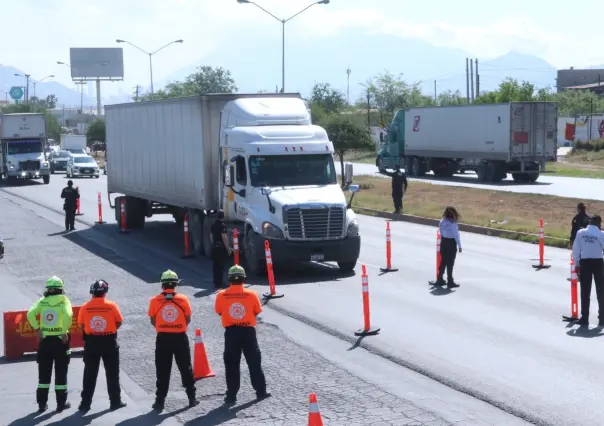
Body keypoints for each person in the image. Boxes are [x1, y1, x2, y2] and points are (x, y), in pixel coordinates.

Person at [215, 265, 270, 405]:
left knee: (232, 364)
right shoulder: (251, 295)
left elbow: (220, 311)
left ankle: (231, 396)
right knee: (254, 362)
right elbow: (256, 311)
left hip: (231, 332)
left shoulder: (221, 295)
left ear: (229, 279)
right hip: (248, 332)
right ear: (244, 279)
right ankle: (261, 392)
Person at [148, 270, 198, 411]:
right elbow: (188, 318)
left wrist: (164, 326)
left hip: (163, 338)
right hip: (180, 337)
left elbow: (153, 319)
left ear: (162, 284)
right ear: (176, 284)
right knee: (186, 368)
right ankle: (192, 398)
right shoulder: (183, 299)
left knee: (162, 371)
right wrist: (177, 326)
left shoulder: (155, 301)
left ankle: (159, 402)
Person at [77, 280, 127, 412]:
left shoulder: (85, 307)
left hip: (91, 343)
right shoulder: (112, 306)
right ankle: (115, 402)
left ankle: (85, 404)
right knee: (112, 373)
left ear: (92, 293)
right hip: (109, 342)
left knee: (89, 374)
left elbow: (81, 325)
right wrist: (109, 330)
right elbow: (119, 322)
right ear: (105, 293)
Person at [27, 276, 73, 413]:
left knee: (43, 374)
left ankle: (42, 404)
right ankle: (61, 404)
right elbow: (69, 315)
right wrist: (64, 330)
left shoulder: (42, 301)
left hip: (45, 341)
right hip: (61, 341)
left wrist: (38, 328)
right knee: (61, 373)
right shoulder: (64, 300)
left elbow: (30, 314)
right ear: (61, 289)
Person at [572, 215, 604, 326]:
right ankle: (602, 318)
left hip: (585, 262)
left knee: (585, 291)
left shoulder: (581, 233)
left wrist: (576, 264)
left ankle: (585, 318)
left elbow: (576, 249)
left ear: (590, 222)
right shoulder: (601, 234)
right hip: (598, 263)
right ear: (599, 223)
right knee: (601, 291)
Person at [435, 206, 462, 289]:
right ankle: (450, 281)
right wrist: (459, 246)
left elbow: (441, 232)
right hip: (451, 243)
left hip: (444, 242)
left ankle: (440, 279)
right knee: (450, 263)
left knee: (443, 262)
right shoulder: (453, 224)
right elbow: (456, 236)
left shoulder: (442, 221)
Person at [210, 210, 232, 289]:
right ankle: (220, 283)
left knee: (215, 266)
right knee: (221, 266)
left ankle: (215, 282)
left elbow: (211, 236)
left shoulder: (213, 224)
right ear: (223, 216)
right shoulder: (222, 225)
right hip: (220, 248)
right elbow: (224, 237)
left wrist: (213, 244)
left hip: (215, 247)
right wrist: (228, 248)